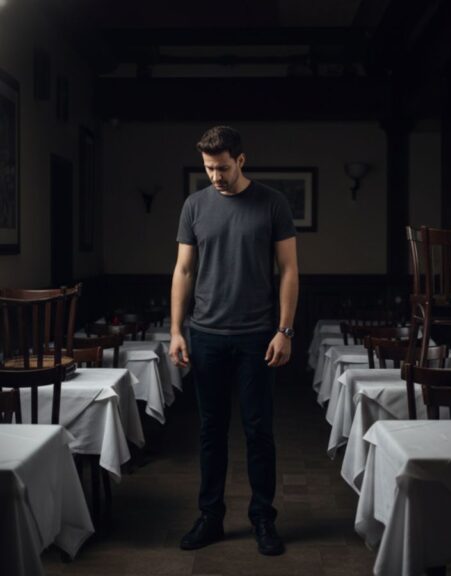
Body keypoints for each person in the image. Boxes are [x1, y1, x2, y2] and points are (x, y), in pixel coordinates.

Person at [170, 126, 298, 555]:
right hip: (205, 335)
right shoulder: (194, 205)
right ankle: (210, 516)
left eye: (223, 167)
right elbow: (184, 271)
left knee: (259, 431)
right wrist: (175, 330)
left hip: (257, 336)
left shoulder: (272, 203)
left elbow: (289, 271)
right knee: (210, 431)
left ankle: (263, 518)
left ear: (241, 160)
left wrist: (285, 330)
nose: (216, 176)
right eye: (209, 168)